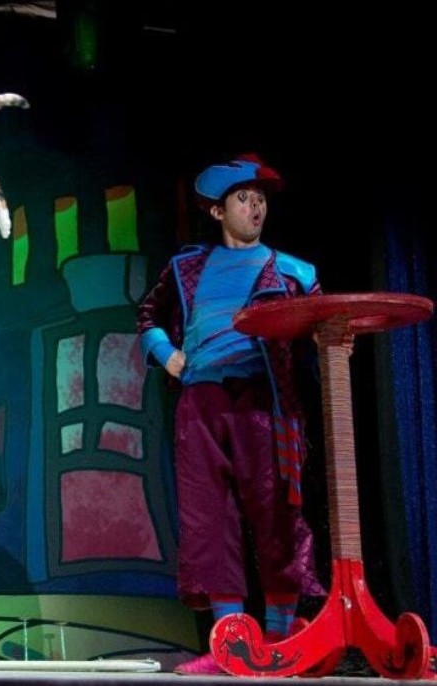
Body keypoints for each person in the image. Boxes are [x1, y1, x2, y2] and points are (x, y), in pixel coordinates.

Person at [136, 155, 325, 675]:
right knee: (209, 519)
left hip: (264, 402)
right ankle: (231, 645)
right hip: (202, 402)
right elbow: (149, 315)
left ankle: (281, 640)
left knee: (276, 514)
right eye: (243, 198)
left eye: (260, 199)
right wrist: (166, 354)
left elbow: (324, 327)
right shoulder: (186, 268)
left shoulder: (293, 272)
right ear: (218, 211)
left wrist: (328, 336)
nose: (255, 207)